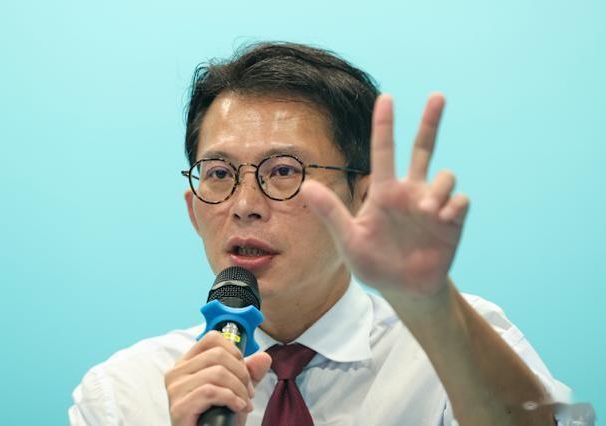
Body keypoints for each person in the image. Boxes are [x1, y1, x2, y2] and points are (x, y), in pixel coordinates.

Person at [69, 42, 573, 425]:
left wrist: (431, 305)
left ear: (363, 198)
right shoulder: (122, 395)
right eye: (219, 174)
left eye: (283, 171)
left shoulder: (455, 348)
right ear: (193, 211)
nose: (244, 206)